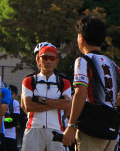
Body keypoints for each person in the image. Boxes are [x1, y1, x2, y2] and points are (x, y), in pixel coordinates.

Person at [62, 16, 120, 150]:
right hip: (110, 131)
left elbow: (80, 93)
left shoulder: (83, 61)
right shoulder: (113, 65)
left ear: (81, 38)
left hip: (90, 129)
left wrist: (71, 126)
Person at [20, 43, 70, 151]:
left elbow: (67, 105)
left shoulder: (64, 82)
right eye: (45, 58)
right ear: (38, 59)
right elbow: (28, 106)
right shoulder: (29, 80)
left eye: (52, 58)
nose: (48, 61)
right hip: (33, 128)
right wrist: (56, 104)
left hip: (56, 129)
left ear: (56, 61)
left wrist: (40, 99)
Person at [3, 85, 20, 151]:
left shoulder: (15, 103)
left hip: (10, 136)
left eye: (11, 94)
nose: (9, 95)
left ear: (16, 96)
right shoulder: (0, 101)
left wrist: (3, 123)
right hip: (0, 135)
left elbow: (15, 121)